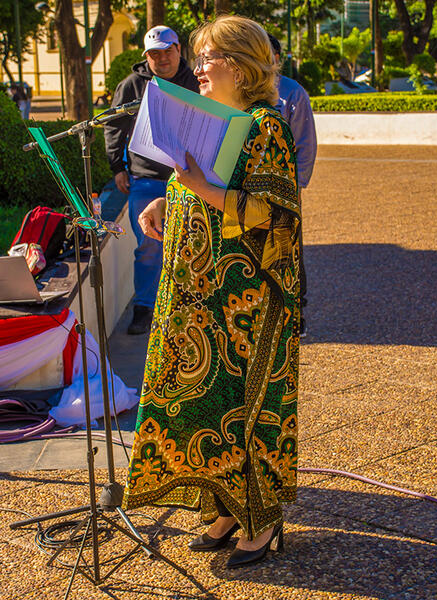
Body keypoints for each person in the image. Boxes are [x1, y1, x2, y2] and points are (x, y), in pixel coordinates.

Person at [121, 15, 303, 569]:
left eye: (208, 58)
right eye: (197, 58)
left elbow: (274, 214)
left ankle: (261, 520)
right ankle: (224, 510)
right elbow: (192, 184)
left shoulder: (265, 125)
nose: (198, 68)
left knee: (245, 410)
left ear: (243, 64)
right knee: (197, 406)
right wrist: (167, 201)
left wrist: (201, 188)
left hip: (245, 303)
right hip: (199, 299)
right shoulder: (216, 120)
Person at [103, 25, 199, 334]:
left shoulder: (197, 81)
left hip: (190, 177)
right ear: (147, 57)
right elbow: (114, 126)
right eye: (155, 54)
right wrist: (117, 167)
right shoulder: (132, 84)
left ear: (179, 50)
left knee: (194, 244)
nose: (163, 58)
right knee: (148, 245)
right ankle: (145, 307)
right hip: (146, 179)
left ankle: (189, 307)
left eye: (168, 51)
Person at [267, 33, 317, 336]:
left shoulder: (292, 93)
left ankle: (295, 311)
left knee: (289, 249)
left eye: (269, 54)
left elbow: (305, 146)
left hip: (284, 190)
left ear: (277, 58)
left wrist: (294, 188)